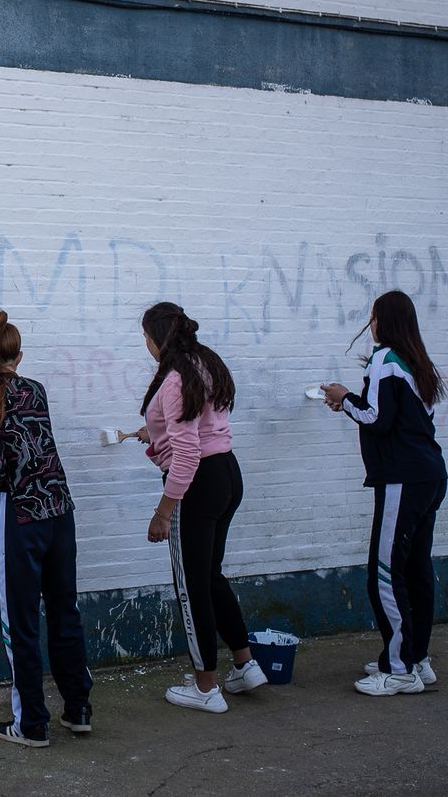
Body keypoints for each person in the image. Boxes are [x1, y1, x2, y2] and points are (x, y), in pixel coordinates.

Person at [0, 311, 93, 748]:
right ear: (18, 355)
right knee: (64, 611)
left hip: (20, 518)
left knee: (20, 623)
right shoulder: (36, 389)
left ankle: (31, 724)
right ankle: (79, 709)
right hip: (60, 511)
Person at [130, 302, 266, 713]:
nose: (146, 345)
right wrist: (153, 434)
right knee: (209, 577)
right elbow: (196, 429)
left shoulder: (175, 378)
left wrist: (164, 511)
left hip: (198, 484)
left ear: (158, 337)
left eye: (146, 337)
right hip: (226, 473)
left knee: (191, 587)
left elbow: (187, 454)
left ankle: (206, 687)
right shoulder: (204, 363)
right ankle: (245, 665)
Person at [322, 289, 448, 697]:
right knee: (416, 570)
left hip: (402, 480)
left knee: (384, 573)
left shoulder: (383, 359)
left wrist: (343, 399)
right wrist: (352, 403)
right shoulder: (416, 361)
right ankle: (417, 658)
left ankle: (398, 669)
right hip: (430, 475)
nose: (369, 322)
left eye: (372, 316)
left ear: (382, 321)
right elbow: (403, 417)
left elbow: (376, 418)